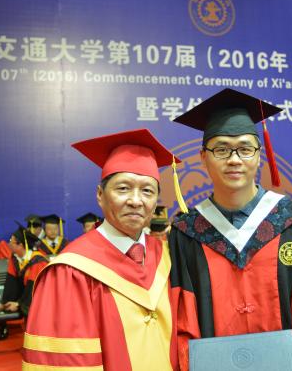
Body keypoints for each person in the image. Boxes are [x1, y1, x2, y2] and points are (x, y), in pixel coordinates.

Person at [169, 88, 292, 371]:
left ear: (260, 155)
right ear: (203, 157)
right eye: (221, 149)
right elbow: (182, 314)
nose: (234, 159)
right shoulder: (186, 231)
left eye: (245, 149)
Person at [23, 128, 181, 370]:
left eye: (147, 191)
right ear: (100, 195)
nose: (136, 201)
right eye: (123, 188)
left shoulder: (166, 256)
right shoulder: (70, 271)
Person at [0, 224, 48, 317]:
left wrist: (19, 304)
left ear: (20, 245)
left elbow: (33, 288)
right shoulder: (15, 259)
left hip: (41, 303)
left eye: (11, 241)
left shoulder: (37, 262)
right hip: (25, 301)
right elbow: (11, 282)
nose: (8, 244)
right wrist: (4, 303)